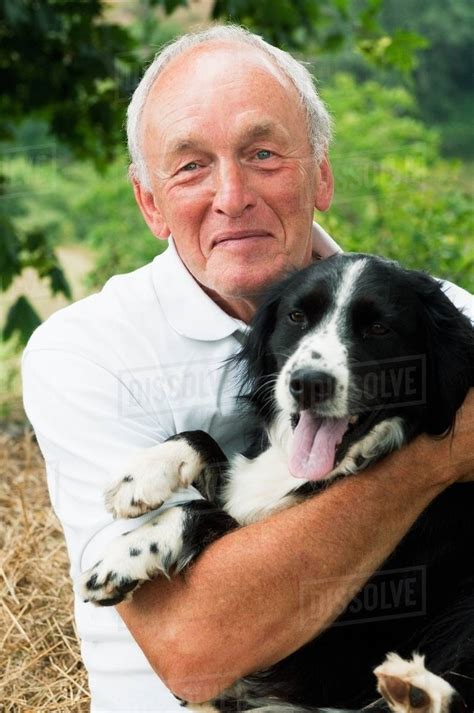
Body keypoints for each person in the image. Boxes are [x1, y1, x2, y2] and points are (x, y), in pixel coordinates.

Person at [22, 25, 474, 713]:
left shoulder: (439, 318)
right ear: (150, 203)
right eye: (191, 165)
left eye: (263, 153)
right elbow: (196, 650)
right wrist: (435, 460)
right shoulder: (85, 353)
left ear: (321, 174)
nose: (232, 195)